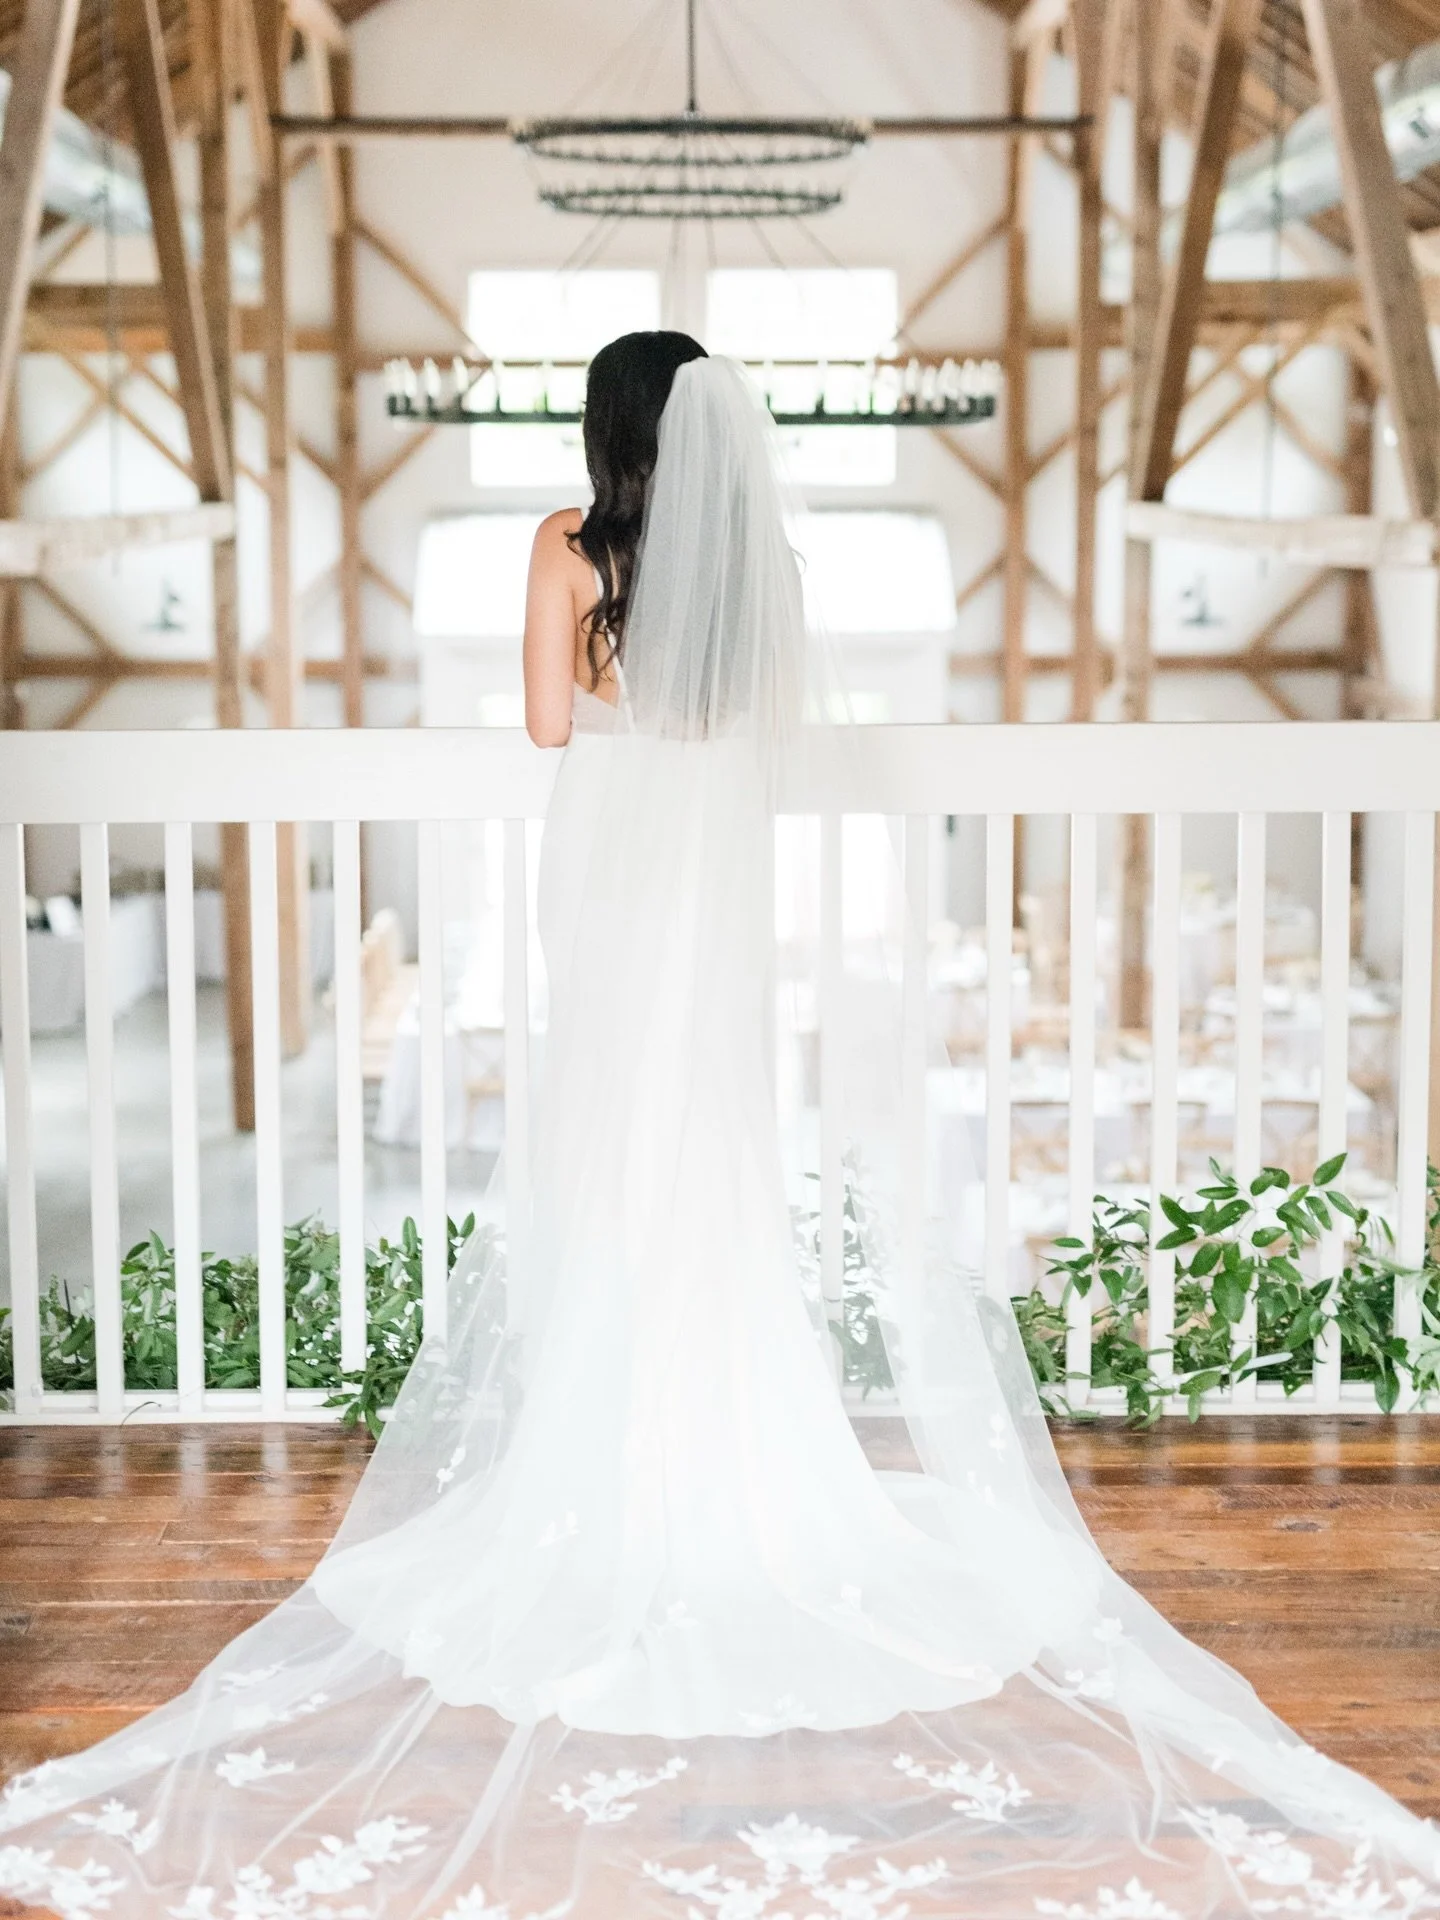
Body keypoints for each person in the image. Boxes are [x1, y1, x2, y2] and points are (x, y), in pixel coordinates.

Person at [2, 335, 1437, 1920]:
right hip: (714, 879)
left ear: (604, 425)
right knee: (713, 1157)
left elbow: (548, 731)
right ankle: (734, 1458)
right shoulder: (760, 558)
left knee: (610, 1165)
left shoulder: (562, 544)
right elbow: (759, 719)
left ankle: (612, 1460)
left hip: (612, 871)